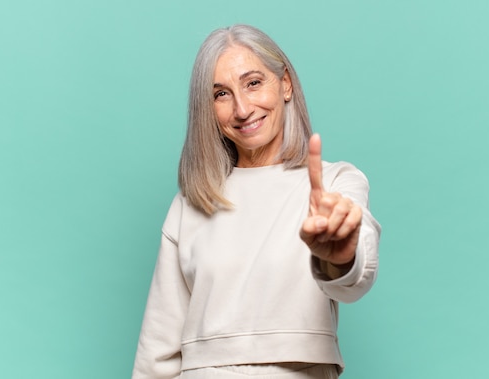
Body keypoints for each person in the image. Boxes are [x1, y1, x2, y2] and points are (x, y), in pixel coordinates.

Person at [132, 24, 381, 379]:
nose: (242, 108)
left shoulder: (335, 183)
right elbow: (157, 351)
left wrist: (341, 257)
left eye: (253, 83)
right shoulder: (192, 202)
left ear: (285, 84)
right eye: (221, 94)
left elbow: (356, 277)